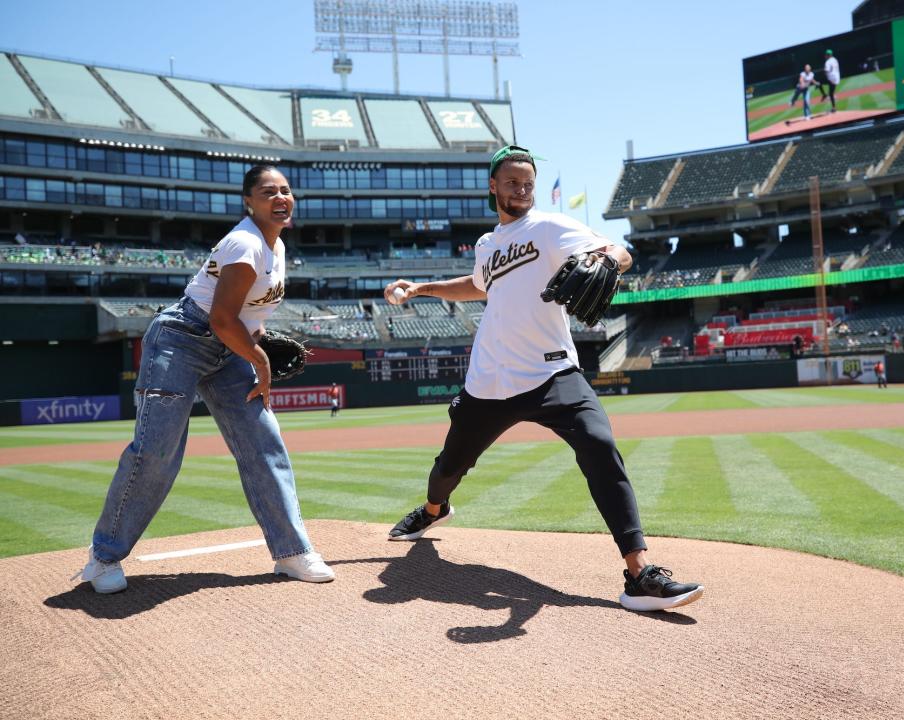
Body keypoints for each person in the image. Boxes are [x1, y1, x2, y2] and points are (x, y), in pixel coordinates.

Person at [382, 145, 704, 612]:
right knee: (448, 468)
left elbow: (618, 250)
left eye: (528, 182)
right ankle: (434, 511)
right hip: (489, 380)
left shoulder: (551, 227)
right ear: (493, 186)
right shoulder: (488, 244)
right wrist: (423, 288)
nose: (522, 189)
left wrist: (610, 260)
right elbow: (479, 285)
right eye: (512, 182)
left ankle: (639, 575)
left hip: (553, 372)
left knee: (599, 445)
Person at [73, 165, 334, 593]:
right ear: (248, 201)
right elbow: (219, 317)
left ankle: (290, 550)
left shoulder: (277, 246)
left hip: (229, 347)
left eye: (286, 191)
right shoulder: (245, 243)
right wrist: (262, 361)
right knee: (157, 452)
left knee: (262, 442)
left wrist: (257, 339)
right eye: (269, 192)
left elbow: (244, 317)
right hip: (183, 340)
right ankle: (102, 559)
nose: (280, 198)